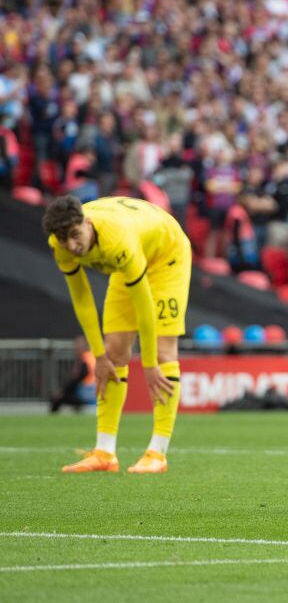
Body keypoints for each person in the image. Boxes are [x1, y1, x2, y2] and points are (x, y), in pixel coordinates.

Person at [43, 194, 192, 474]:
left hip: (166, 255)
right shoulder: (60, 243)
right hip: (132, 258)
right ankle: (104, 453)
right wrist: (98, 356)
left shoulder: (117, 240)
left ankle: (157, 454)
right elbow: (82, 299)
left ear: (87, 223)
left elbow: (144, 306)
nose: (73, 246)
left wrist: (148, 365)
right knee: (114, 354)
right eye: (65, 241)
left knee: (162, 353)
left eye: (76, 235)